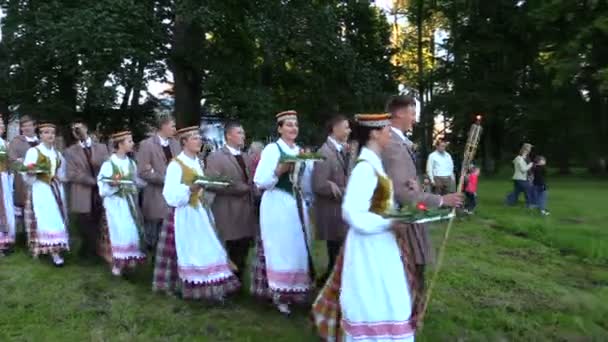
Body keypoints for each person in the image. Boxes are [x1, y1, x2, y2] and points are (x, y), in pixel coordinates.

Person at [312, 113, 417, 341]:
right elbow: (351, 212)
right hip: (369, 246)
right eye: (387, 130)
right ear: (375, 133)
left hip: (381, 243)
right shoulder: (365, 168)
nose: (391, 134)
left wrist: (397, 216)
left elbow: (379, 204)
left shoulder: (375, 164)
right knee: (372, 295)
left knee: (388, 295)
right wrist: (390, 222)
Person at [382, 95, 462, 309]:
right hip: (401, 221)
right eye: (412, 113)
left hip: (407, 215)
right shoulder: (393, 144)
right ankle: (407, 316)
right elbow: (402, 194)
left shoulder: (398, 141)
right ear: (399, 113)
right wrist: (441, 199)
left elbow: (404, 183)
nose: (414, 119)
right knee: (412, 269)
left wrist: (418, 186)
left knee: (415, 269)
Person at [153, 126, 239, 301]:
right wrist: (189, 189)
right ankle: (183, 287)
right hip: (183, 213)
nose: (199, 141)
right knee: (187, 251)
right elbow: (170, 195)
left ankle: (210, 288)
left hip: (199, 211)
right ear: (184, 142)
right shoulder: (176, 165)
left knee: (207, 248)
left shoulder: (198, 162)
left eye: (199, 138)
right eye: (194, 138)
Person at [252, 110, 312, 315]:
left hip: (295, 203)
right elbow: (260, 181)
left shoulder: (300, 150)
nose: (293, 128)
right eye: (288, 125)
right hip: (277, 203)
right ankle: (279, 294)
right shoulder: (272, 149)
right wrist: (280, 170)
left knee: (297, 247)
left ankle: (296, 292)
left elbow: (305, 182)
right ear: (279, 128)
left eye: (295, 124)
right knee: (280, 248)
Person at [205, 121, 257, 283]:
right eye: (239, 133)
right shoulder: (216, 157)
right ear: (228, 135)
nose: (243, 136)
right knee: (230, 249)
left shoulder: (246, 156)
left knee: (243, 248)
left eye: (243, 133)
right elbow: (211, 183)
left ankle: (238, 281)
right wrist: (236, 188)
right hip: (227, 211)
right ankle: (225, 283)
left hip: (246, 212)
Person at [97, 131, 146, 276]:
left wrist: (144, 182)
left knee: (131, 232)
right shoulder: (109, 164)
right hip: (115, 204)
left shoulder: (131, 163)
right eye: (129, 141)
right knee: (120, 232)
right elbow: (102, 186)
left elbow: (135, 180)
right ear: (120, 144)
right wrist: (113, 185)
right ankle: (117, 264)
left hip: (129, 203)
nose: (132, 144)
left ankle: (128, 261)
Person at [312, 114, 351, 285]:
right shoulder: (324, 152)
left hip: (340, 210)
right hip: (331, 212)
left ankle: (328, 283)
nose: (349, 130)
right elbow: (319, 185)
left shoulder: (340, 149)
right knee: (335, 252)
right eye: (346, 127)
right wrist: (347, 191)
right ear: (335, 129)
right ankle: (329, 286)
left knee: (338, 254)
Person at [22, 123, 68, 266]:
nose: (50, 135)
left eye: (52, 133)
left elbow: (61, 173)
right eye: (46, 132)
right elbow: (26, 173)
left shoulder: (57, 154)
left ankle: (56, 248)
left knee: (57, 218)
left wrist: (61, 179)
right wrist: (30, 173)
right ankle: (53, 252)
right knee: (46, 218)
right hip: (41, 189)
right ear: (40, 135)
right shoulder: (34, 152)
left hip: (55, 189)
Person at [64, 119, 109, 259]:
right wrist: (91, 181)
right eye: (74, 129)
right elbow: (71, 174)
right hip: (82, 192)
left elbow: (107, 166)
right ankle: (87, 252)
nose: (77, 131)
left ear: (86, 128)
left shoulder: (101, 147)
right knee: (84, 222)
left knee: (98, 221)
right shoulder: (70, 151)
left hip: (99, 191)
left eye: (79, 127)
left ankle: (97, 251)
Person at [136, 115, 181, 252]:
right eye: (172, 125)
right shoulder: (147, 145)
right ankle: (152, 261)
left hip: (173, 196)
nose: (175, 128)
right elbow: (143, 172)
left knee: (171, 233)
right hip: (155, 195)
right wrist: (166, 179)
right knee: (154, 233)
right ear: (163, 126)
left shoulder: (176, 144)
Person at [8, 115, 38, 230]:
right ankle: (21, 237)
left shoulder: (40, 141)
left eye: (29, 125)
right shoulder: (16, 142)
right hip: (22, 181)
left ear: (34, 126)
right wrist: (26, 167)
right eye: (23, 126)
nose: (26, 128)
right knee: (22, 208)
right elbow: (12, 161)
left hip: (39, 180)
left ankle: (36, 236)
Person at [0, 115, 16, 256]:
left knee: (5, 208)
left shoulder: (5, 143)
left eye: (3, 124)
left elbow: (9, 163)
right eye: (0, 124)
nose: (3, 126)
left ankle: (5, 241)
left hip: (4, 177)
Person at [505, 143, 534, 207]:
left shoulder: (525, 158)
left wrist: (530, 174)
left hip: (521, 178)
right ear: (524, 150)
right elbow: (523, 169)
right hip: (520, 178)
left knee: (517, 191)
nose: (530, 150)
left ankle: (509, 202)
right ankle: (529, 204)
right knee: (528, 190)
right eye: (528, 149)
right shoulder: (519, 158)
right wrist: (530, 165)